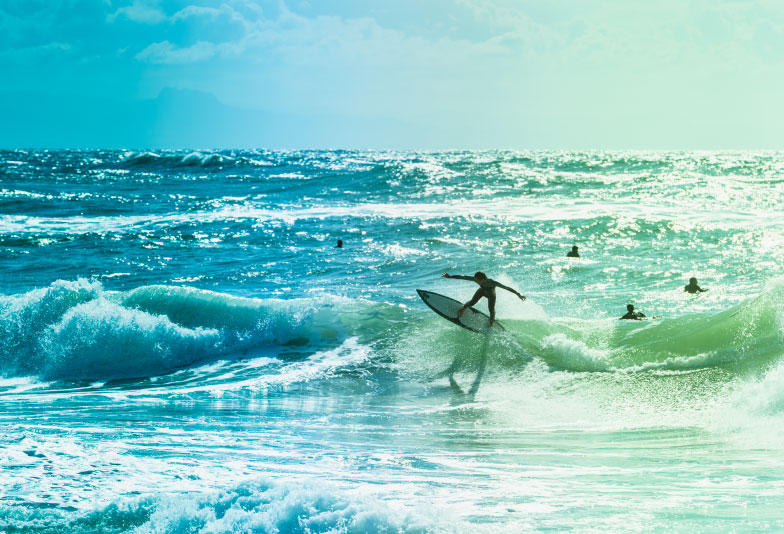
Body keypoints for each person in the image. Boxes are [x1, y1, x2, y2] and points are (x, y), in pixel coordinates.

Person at [442, 271, 525, 325]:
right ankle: (462, 310)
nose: (476, 281)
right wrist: (450, 276)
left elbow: (506, 287)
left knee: (491, 309)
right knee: (472, 302)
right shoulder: (476, 279)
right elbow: (463, 277)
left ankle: (491, 322)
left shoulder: (492, 282)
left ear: (483, 279)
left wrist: (518, 294)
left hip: (491, 295)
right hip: (481, 291)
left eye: (478, 280)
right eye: (475, 280)